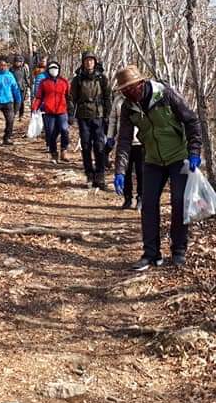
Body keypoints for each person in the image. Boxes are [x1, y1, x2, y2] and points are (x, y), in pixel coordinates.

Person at [112, 65, 202, 270]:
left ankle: (179, 250)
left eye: (130, 88)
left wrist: (194, 151)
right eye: (124, 90)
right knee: (148, 205)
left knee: (179, 201)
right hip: (152, 159)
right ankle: (151, 254)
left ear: (141, 84)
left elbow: (192, 120)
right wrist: (120, 171)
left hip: (179, 157)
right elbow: (125, 139)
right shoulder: (128, 106)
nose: (128, 93)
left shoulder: (165, 94)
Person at [69, 52, 112, 189]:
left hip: (98, 116)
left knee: (99, 147)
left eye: (91, 60)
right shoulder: (78, 79)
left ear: (95, 62)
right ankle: (89, 174)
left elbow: (107, 98)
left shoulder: (102, 79)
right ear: (83, 62)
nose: (89, 63)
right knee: (86, 146)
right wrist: (71, 115)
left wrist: (107, 116)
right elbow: (72, 99)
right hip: (83, 117)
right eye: (86, 60)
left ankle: (100, 177)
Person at [31, 61, 72, 163]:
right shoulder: (44, 82)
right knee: (51, 134)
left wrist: (71, 113)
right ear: (48, 70)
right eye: (51, 68)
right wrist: (35, 107)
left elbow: (69, 97)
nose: (54, 70)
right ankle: (54, 154)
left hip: (62, 111)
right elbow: (39, 97)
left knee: (64, 130)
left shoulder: (64, 82)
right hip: (48, 112)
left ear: (59, 69)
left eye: (56, 68)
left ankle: (64, 150)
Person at [107, 94, 142, 210]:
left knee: (141, 171)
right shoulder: (118, 99)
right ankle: (127, 198)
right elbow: (113, 119)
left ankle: (141, 198)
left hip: (141, 142)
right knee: (124, 171)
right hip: (123, 141)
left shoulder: (141, 98)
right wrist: (110, 136)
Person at [11, 55, 32, 121]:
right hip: (14, 88)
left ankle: (21, 115)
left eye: (19, 62)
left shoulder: (23, 69)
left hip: (22, 87)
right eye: (17, 62)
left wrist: (29, 85)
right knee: (15, 101)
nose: (18, 63)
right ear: (14, 62)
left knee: (21, 101)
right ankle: (13, 114)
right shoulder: (11, 69)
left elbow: (26, 78)